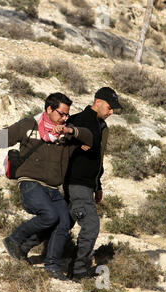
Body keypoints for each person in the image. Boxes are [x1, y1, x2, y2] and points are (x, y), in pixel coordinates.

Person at [0, 92, 93, 279]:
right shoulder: (29, 126)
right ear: (49, 109)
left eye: (67, 115)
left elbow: (89, 138)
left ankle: (52, 266)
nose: (65, 118)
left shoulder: (66, 133)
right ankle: (14, 240)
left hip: (53, 188)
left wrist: (70, 131)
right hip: (30, 183)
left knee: (64, 222)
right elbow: (0, 137)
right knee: (49, 215)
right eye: (61, 114)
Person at [64, 87, 122, 281]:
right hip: (76, 183)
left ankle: (21, 243)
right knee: (91, 226)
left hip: (86, 185)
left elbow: (98, 159)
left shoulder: (100, 125)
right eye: (110, 107)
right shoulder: (81, 120)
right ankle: (79, 270)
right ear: (98, 102)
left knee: (62, 222)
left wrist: (97, 186)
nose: (112, 111)